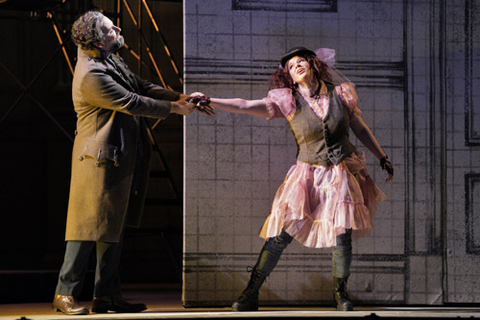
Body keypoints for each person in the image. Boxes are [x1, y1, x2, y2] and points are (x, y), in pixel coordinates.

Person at [204, 46, 394, 311]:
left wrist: (382, 157)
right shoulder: (287, 100)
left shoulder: (340, 94)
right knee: (280, 235)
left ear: (313, 64)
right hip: (307, 174)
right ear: (289, 77)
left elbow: (359, 128)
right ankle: (251, 293)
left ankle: (341, 294)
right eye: (291, 66)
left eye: (301, 61)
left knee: (342, 235)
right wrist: (211, 100)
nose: (297, 66)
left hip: (340, 171)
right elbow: (246, 105)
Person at [52, 10, 212, 315]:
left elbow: (142, 86)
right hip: (95, 159)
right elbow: (131, 101)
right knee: (86, 229)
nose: (118, 29)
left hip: (115, 155)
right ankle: (64, 293)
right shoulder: (91, 73)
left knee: (112, 228)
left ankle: (107, 295)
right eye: (111, 29)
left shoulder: (109, 59)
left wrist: (182, 95)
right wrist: (175, 109)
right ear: (98, 40)